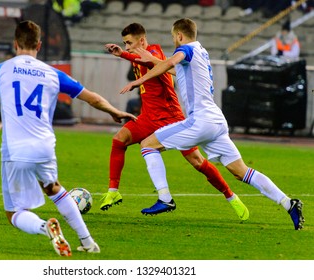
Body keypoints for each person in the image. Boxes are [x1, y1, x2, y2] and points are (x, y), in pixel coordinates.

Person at [120, 18, 304, 230]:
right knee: (241, 171)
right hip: (216, 121)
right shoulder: (201, 52)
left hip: (200, 120)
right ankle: (289, 203)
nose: (174, 42)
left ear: (179, 36)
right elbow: (169, 67)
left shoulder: (186, 50)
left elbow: (170, 63)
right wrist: (140, 55)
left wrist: (138, 81)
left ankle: (165, 198)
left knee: (148, 145)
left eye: (173, 38)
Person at [0, 20, 136, 256]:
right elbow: (92, 98)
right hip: (45, 147)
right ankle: (88, 242)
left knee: (14, 213)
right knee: (55, 189)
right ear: (39, 45)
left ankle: (45, 228)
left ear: (15, 43)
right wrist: (115, 111)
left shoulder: (2, 69)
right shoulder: (53, 73)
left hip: (16, 150)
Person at [101, 23, 249, 220]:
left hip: (170, 117)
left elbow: (157, 64)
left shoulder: (154, 51)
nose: (127, 47)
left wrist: (126, 58)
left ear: (142, 41)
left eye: (129, 43)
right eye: (124, 43)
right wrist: (122, 54)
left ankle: (231, 197)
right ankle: (113, 191)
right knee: (119, 140)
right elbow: (141, 60)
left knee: (197, 162)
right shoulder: (138, 54)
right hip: (148, 117)